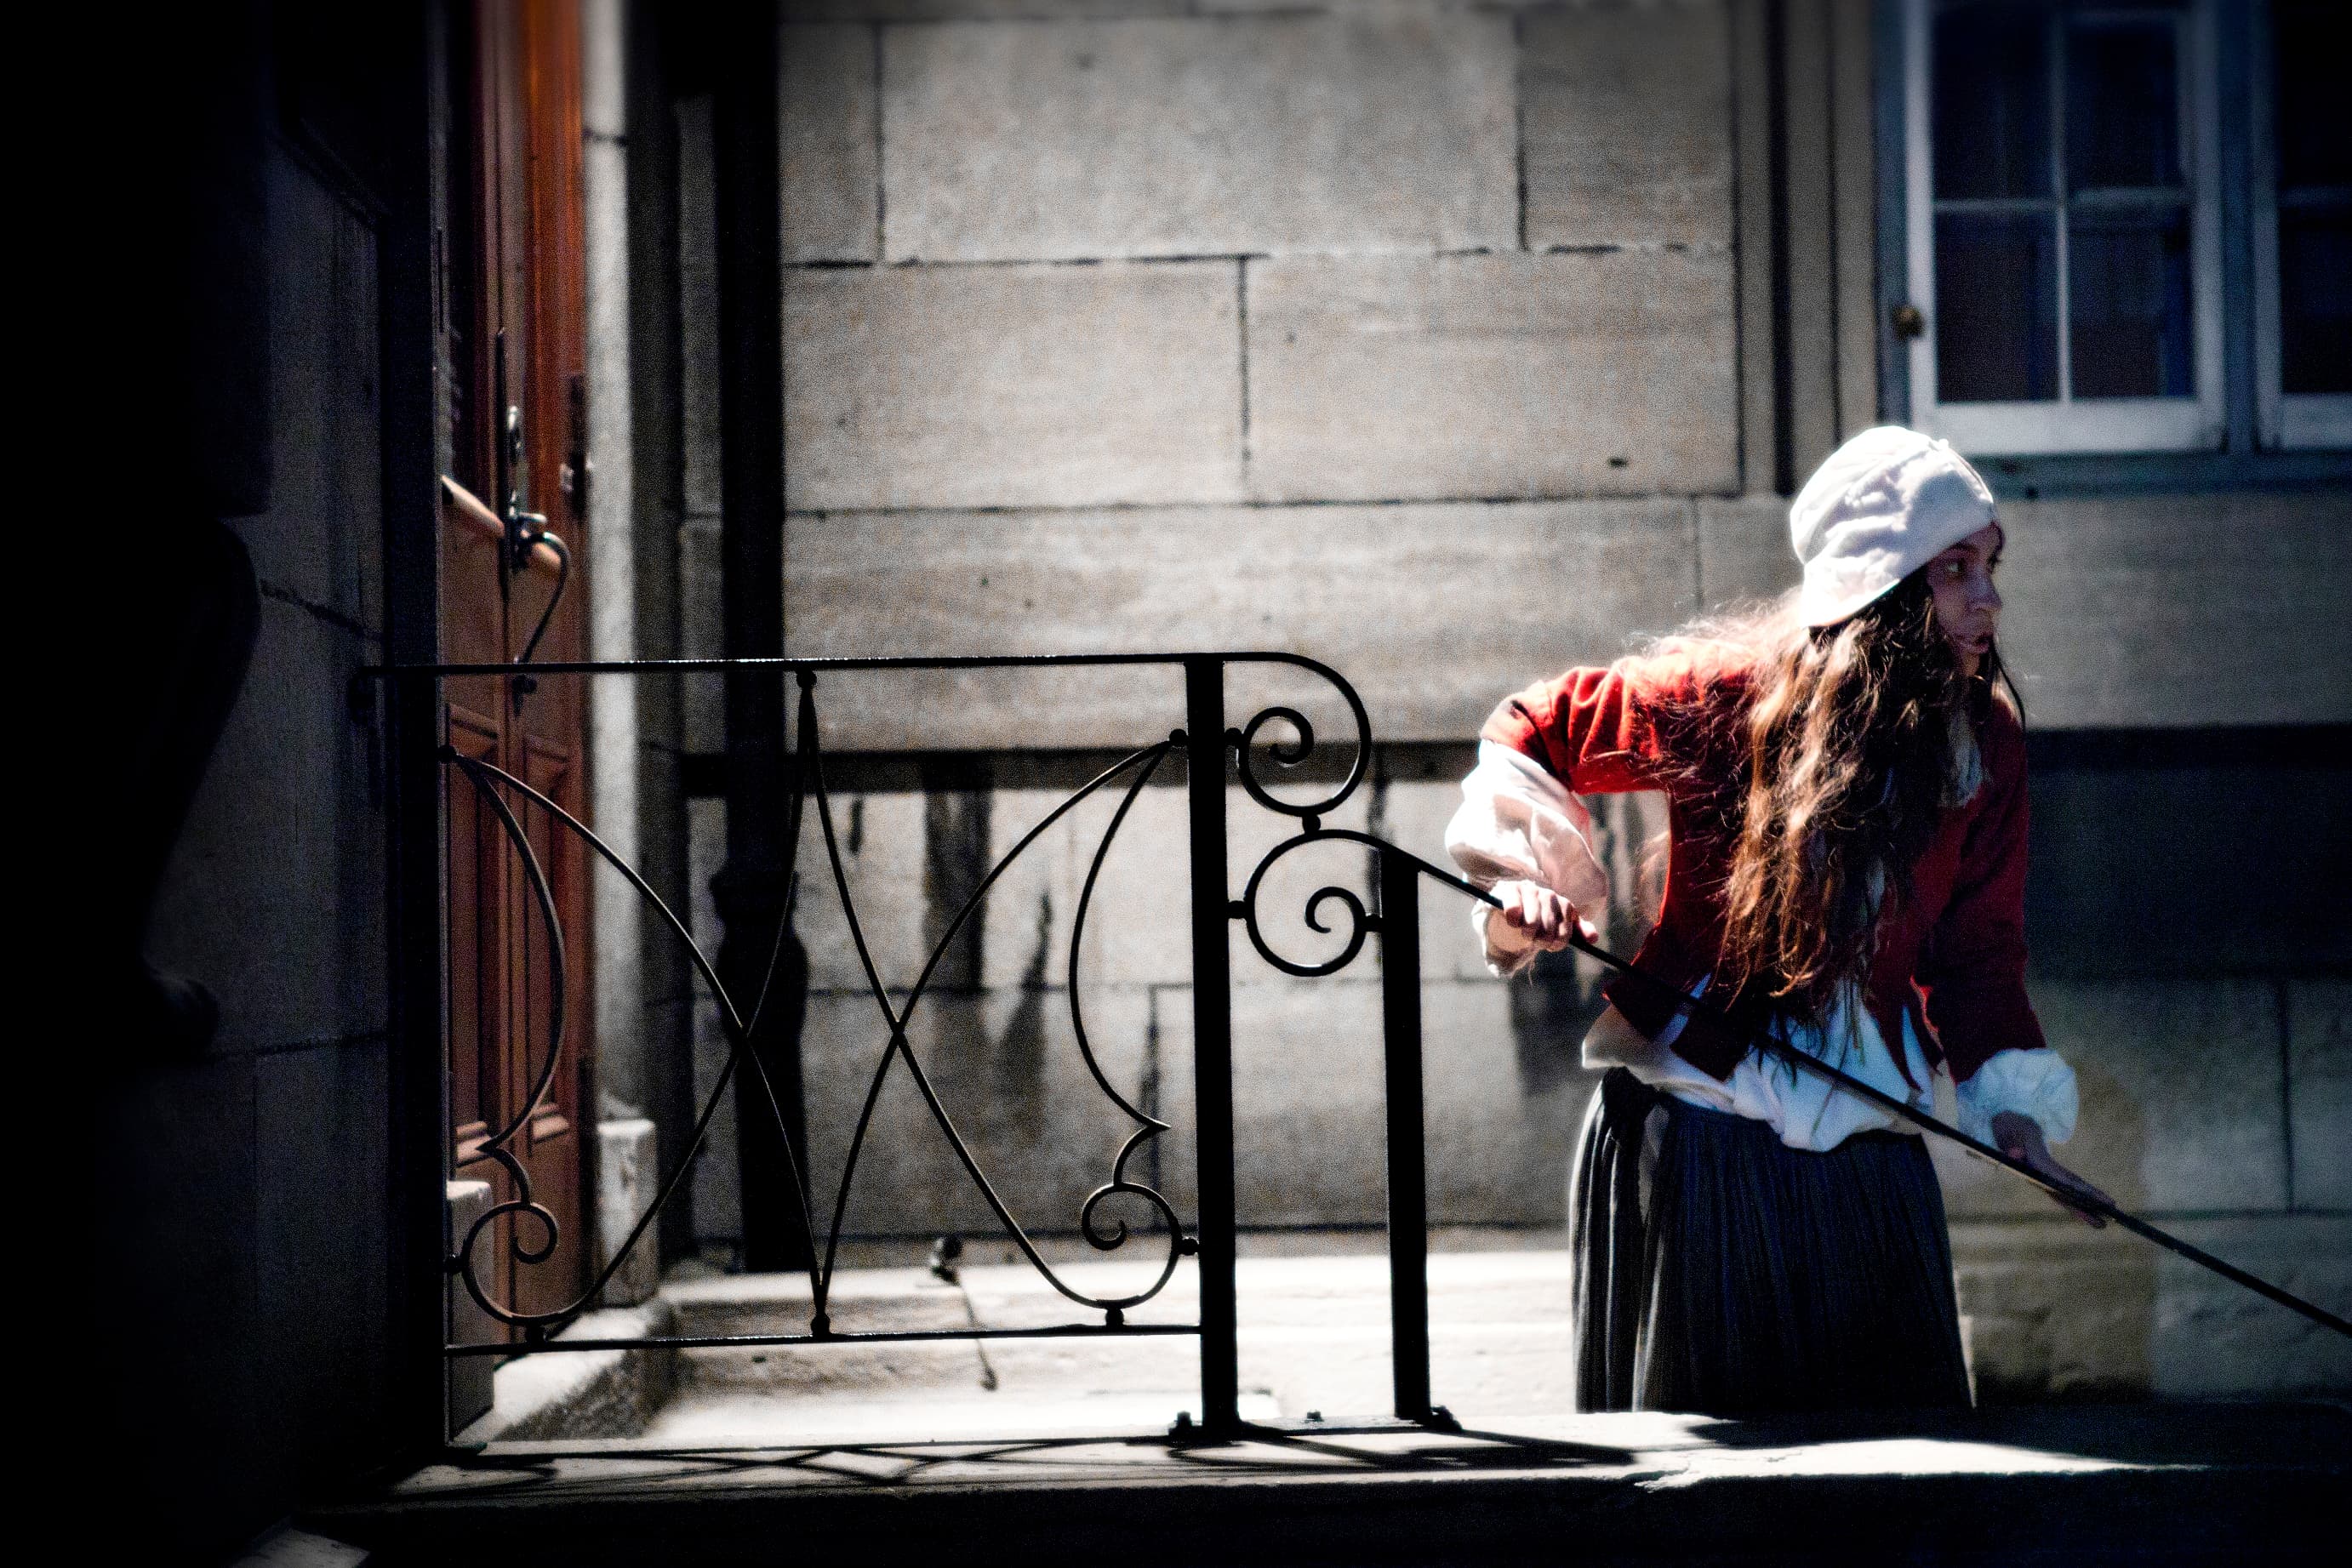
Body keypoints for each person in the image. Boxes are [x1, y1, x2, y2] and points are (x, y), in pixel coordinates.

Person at [1445, 426, 2108, 1415]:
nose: (1989, 600)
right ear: (1880, 591)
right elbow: (1532, 726)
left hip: (1871, 1151)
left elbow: (1977, 955)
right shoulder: (1726, 701)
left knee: (1898, 1477)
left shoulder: (1988, 746)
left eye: (1990, 566)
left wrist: (2010, 1110)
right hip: (1704, 1131)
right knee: (1722, 1480)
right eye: (1956, 570)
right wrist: (1528, 879)